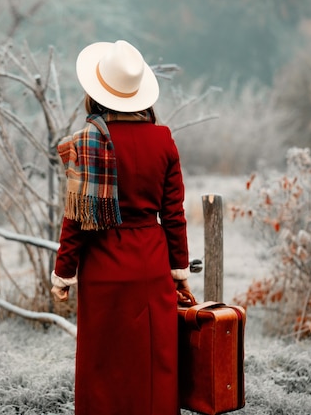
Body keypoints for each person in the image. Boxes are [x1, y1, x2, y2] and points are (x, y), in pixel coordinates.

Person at [51, 40, 191, 415]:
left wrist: (63, 274)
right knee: (154, 365)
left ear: (96, 93)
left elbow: (76, 218)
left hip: (103, 267)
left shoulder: (86, 141)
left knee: (102, 368)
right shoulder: (163, 140)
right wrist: (179, 273)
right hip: (151, 264)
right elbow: (174, 214)